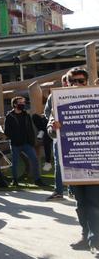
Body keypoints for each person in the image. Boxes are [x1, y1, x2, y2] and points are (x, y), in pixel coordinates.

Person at [48, 67, 98, 253]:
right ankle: (86, 236)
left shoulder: (96, 99)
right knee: (80, 203)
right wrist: (54, 128)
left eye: (81, 81)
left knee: (94, 202)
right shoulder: (59, 103)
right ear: (67, 83)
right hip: (73, 162)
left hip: (93, 161)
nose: (77, 84)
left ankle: (95, 239)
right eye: (73, 81)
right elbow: (50, 130)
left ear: (86, 82)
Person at [4, 96, 44, 187]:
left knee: (35, 160)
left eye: (23, 102)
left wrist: (32, 140)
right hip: (15, 144)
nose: (23, 104)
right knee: (15, 163)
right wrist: (14, 138)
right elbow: (7, 131)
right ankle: (15, 180)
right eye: (20, 103)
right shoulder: (9, 116)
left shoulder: (26, 115)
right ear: (15, 104)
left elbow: (30, 129)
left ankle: (37, 180)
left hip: (27, 143)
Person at [45, 74, 69, 201]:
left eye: (68, 81)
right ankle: (59, 190)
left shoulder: (82, 93)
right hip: (58, 136)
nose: (66, 84)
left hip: (76, 137)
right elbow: (48, 113)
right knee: (59, 164)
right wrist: (53, 124)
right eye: (64, 81)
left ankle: (72, 189)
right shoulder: (53, 96)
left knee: (74, 162)